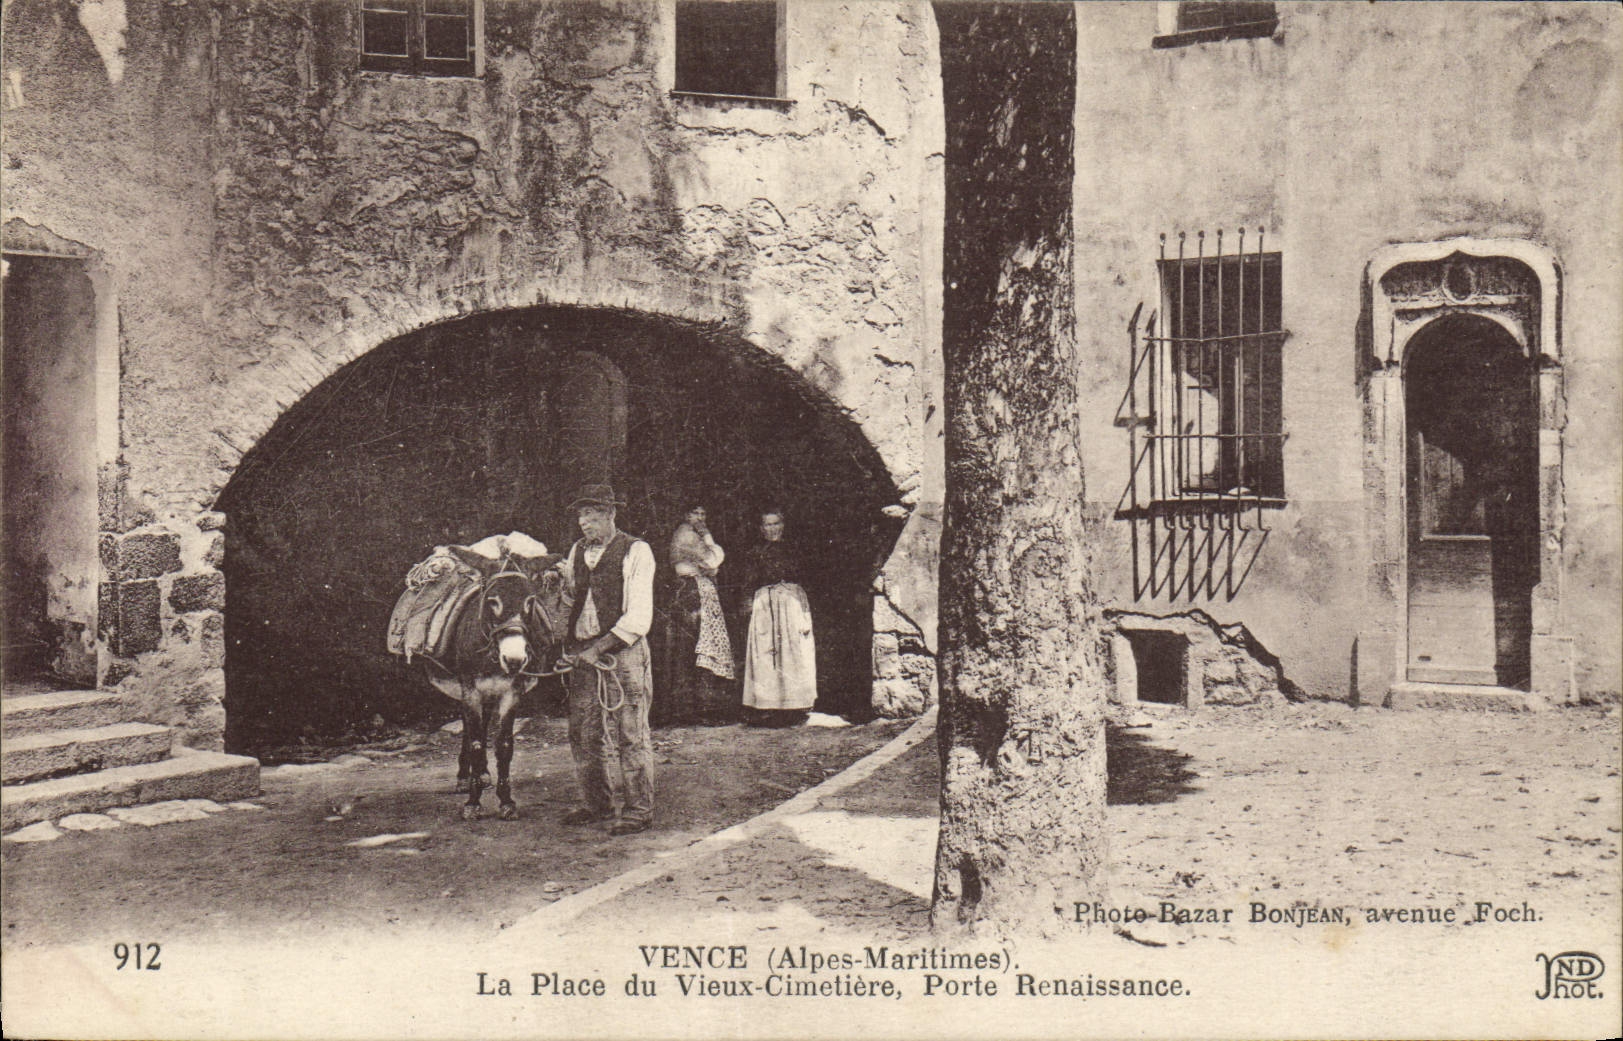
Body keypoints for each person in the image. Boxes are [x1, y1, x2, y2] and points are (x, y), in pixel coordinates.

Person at [557, 484, 657, 836]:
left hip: (624, 654)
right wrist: (567, 644)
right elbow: (570, 600)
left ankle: (638, 810)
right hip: (584, 655)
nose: (585, 522)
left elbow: (639, 617)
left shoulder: (636, 551)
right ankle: (596, 803)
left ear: (611, 514)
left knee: (631, 733)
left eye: (593, 514)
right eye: (581, 515)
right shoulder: (577, 551)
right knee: (583, 733)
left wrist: (598, 649)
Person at [741, 508, 816, 722]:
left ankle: (796, 704)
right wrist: (747, 602)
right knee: (766, 652)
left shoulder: (795, 549)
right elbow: (748, 581)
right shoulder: (755, 552)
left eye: (775, 524)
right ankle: (767, 704)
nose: (772, 529)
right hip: (765, 604)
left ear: (782, 525)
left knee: (794, 650)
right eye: (767, 524)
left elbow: (806, 575)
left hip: (791, 603)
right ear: (761, 528)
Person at [666, 506, 736, 721]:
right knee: (696, 649)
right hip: (692, 591)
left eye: (704, 514)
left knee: (693, 648)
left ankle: (699, 708)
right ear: (686, 515)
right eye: (695, 513)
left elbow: (711, 567)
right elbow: (713, 561)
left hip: (697, 590)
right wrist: (708, 536)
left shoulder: (689, 534)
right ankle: (694, 709)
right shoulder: (687, 535)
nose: (700, 518)